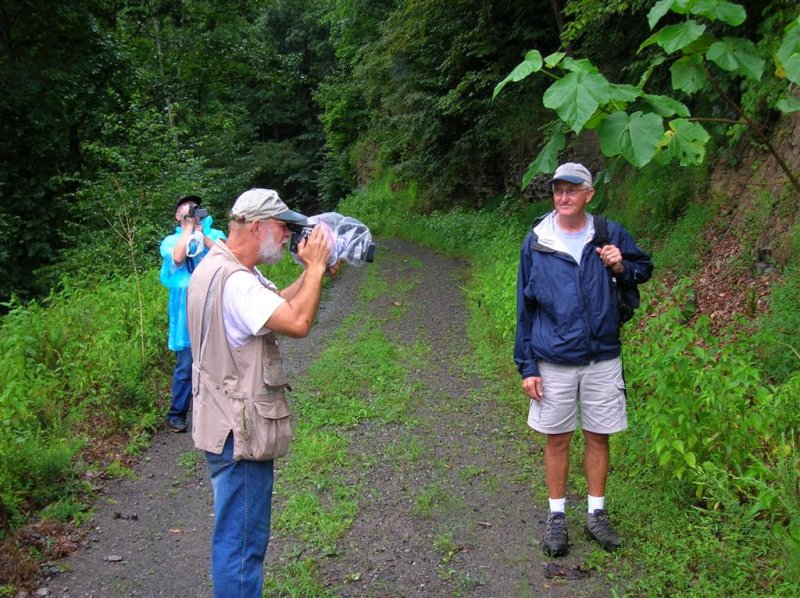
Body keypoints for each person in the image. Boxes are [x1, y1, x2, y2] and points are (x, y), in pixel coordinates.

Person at [186, 188, 334, 597]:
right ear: (256, 227)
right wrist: (316, 269)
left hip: (220, 424)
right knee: (242, 546)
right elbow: (298, 322)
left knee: (235, 538)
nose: (288, 234)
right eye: (283, 226)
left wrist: (313, 273)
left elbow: (276, 304)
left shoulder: (221, 266)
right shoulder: (237, 283)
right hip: (240, 435)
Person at [514, 162, 653, 557]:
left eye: (572, 190)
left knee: (598, 434)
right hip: (553, 359)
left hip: (602, 357)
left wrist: (620, 265)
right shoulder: (537, 240)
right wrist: (527, 365)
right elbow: (524, 308)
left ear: (589, 194)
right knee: (556, 439)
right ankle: (556, 517)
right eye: (558, 190)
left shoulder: (607, 233)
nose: (564, 197)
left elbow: (643, 269)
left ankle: (596, 514)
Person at [159, 195, 227, 433]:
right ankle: (177, 413)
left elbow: (227, 255)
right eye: (186, 209)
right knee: (186, 362)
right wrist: (188, 230)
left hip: (211, 303)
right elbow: (178, 257)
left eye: (195, 208)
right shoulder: (170, 241)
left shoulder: (215, 234)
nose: (191, 211)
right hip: (185, 308)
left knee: (216, 357)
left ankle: (216, 412)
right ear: (178, 215)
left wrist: (202, 233)